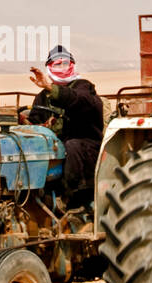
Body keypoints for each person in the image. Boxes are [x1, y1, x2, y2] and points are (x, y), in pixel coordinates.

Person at [25, 45, 103, 210]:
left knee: (71, 146)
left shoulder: (83, 87)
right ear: (49, 67)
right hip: (53, 147)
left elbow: (79, 101)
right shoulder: (42, 97)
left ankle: (72, 200)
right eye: (57, 64)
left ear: (72, 65)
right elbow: (34, 121)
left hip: (86, 144)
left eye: (65, 64)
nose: (62, 68)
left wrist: (51, 88)